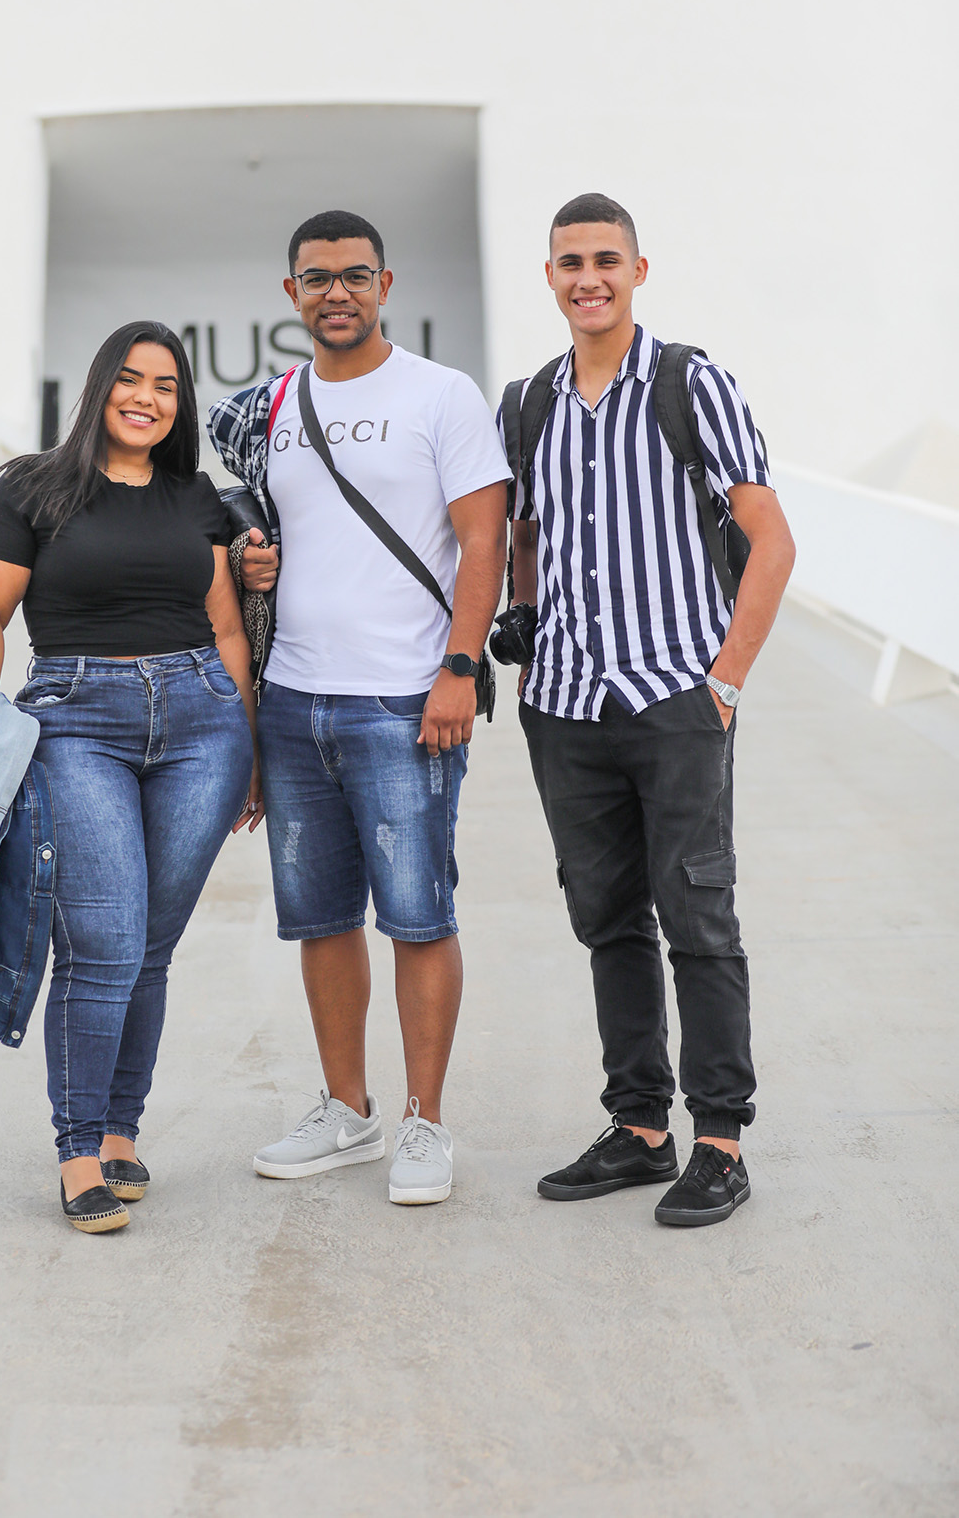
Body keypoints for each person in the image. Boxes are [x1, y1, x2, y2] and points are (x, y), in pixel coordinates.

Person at [208, 210, 509, 1205]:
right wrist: (255, 560)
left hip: (403, 696)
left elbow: (482, 540)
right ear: (290, 293)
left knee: (418, 915)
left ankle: (424, 1122)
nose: (334, 291)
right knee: (321, 918)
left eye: (352, 274)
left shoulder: (440, 393)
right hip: (294, 698)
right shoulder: (272, 405)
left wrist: (458, 665)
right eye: (315, 277)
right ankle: (347, 1110)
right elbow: (274, 533)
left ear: (384, 283)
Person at [508, 193, 795, 1227]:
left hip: (675, 697)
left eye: (605, 259)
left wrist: (725, 680)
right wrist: (525, 623)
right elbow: (524, 532)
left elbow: (770, 538)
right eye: (569, 261)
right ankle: (637, 1127)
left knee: (697, 918)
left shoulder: (687, 383)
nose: (587, 277)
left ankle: (718, 1139)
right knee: (606, 921)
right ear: (548, 276)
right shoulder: (526, 403)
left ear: (637, 270)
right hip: (564, 703)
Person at [0, 320, 260, 1233]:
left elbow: (227, 627)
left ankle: (123, 1129)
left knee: (151, 944)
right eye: (130, 379)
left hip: (203, 723)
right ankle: (78, 1148)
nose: (146, 398)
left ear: (180, 405)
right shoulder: (30, 487)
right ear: (99, 387)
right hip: (75, 721)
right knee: (105, 941)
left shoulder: (195, 496)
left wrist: (247, 747)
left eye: (165, 386)